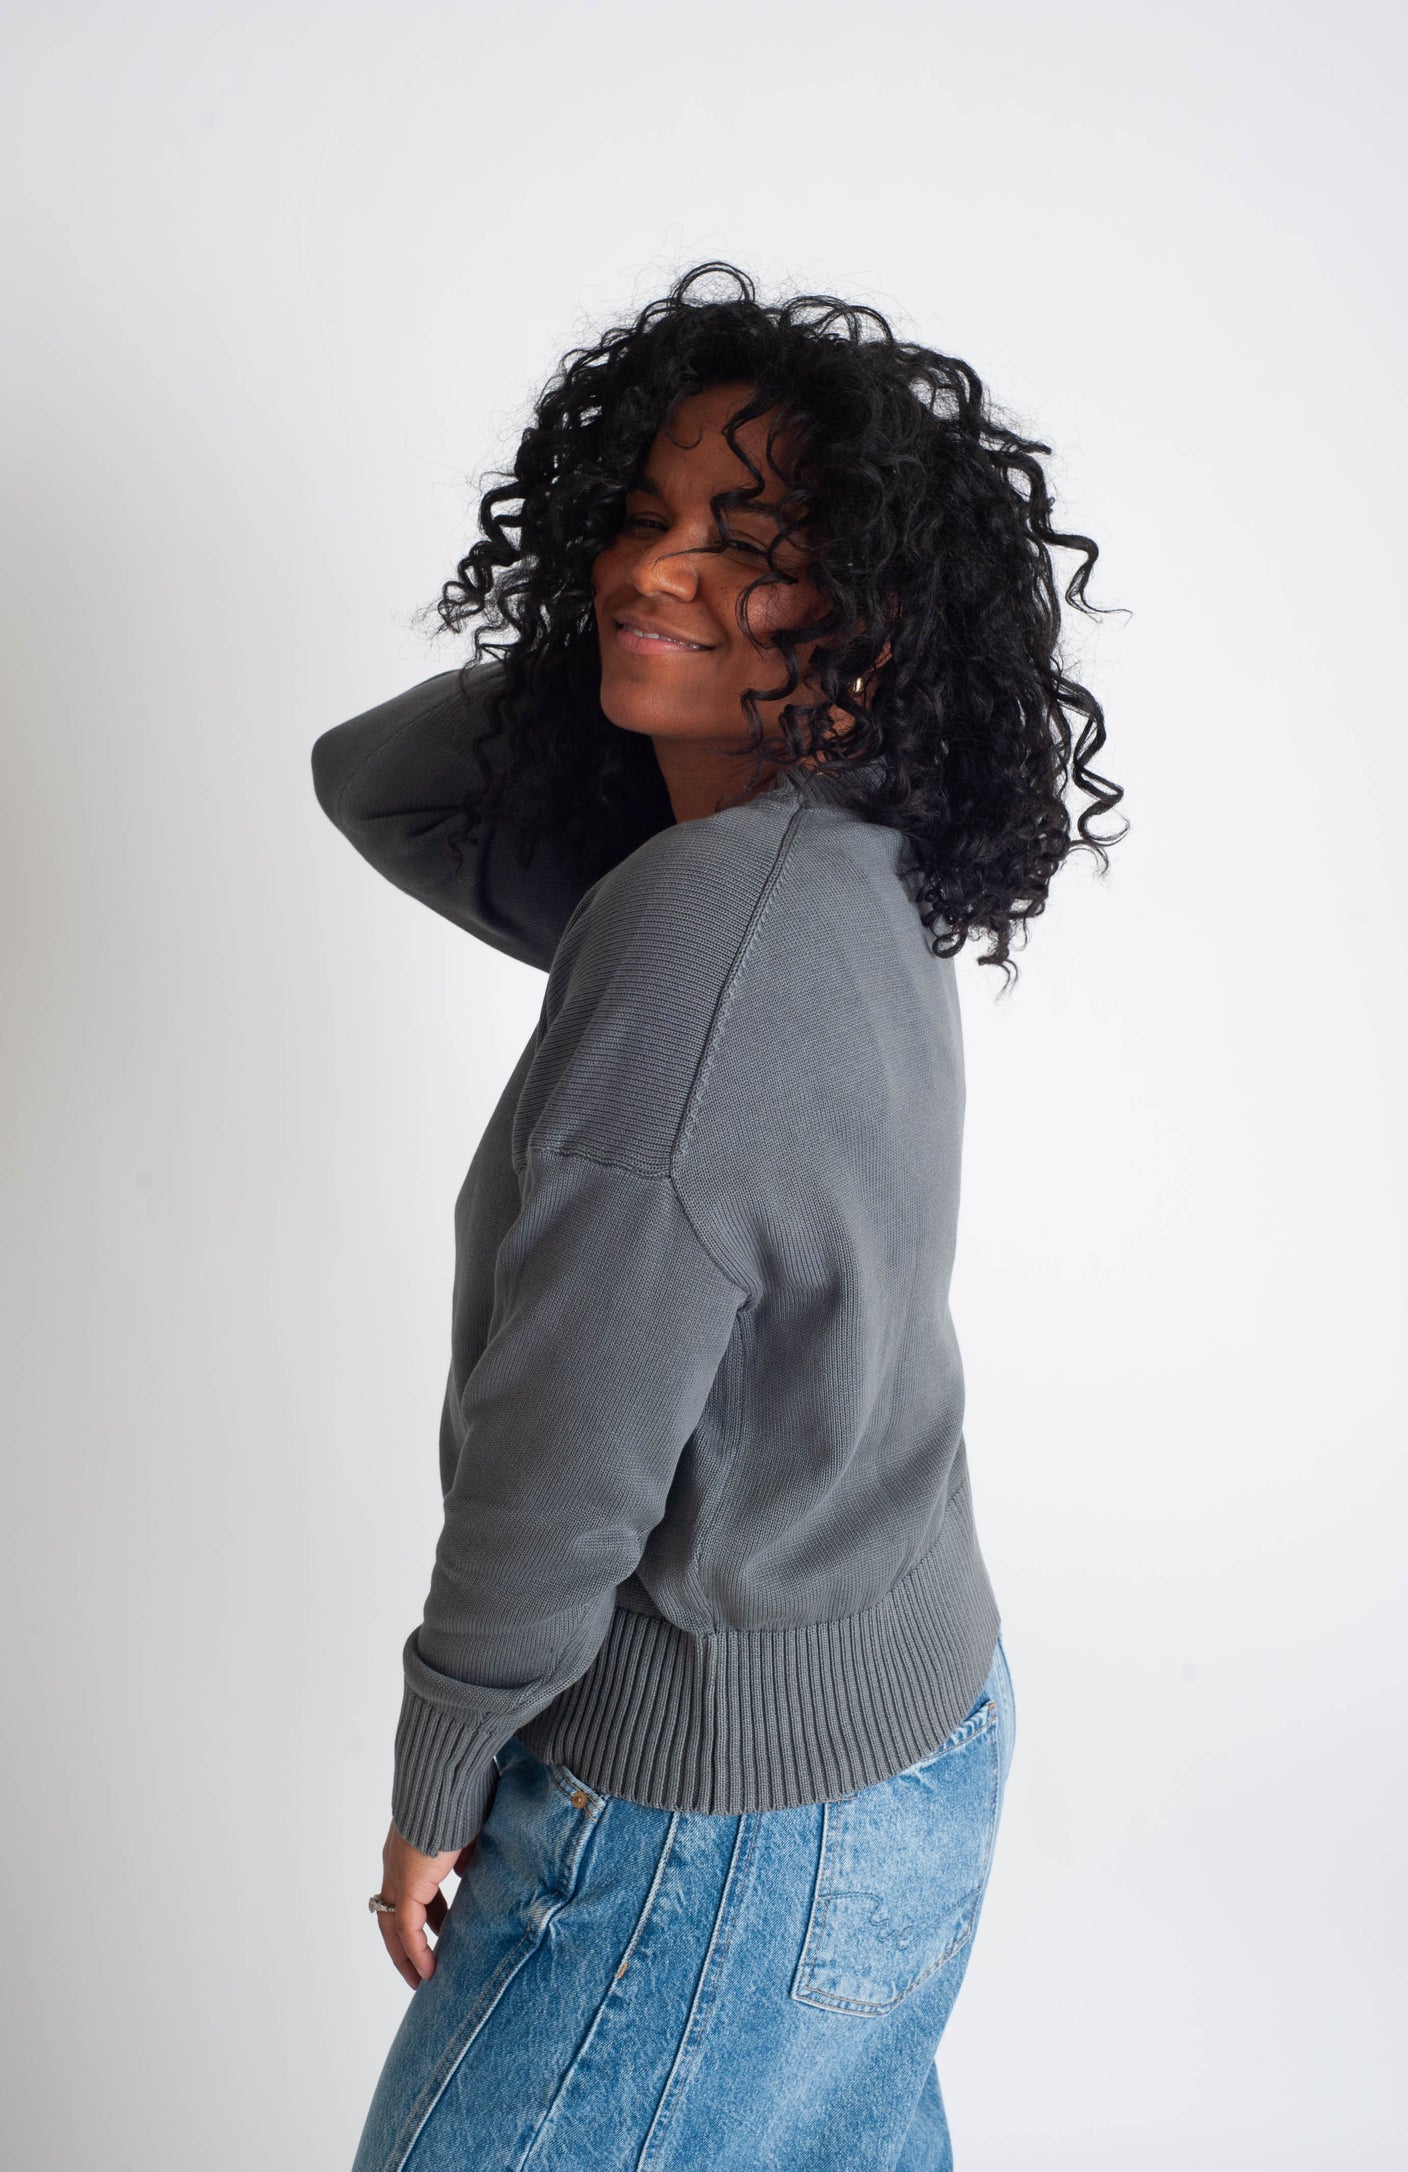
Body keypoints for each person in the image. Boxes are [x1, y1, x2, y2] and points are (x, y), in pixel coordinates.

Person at [311, 262, 1123, 2171]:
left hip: (701, 1832)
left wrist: (443, 1765)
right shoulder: (840, 854)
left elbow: (568, 1437)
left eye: (751, 544)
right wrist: (668, 646)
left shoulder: (698, 934)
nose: (658, 565)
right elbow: (382, 782)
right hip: (901, 1719)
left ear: (875, 622)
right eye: (642, 515)